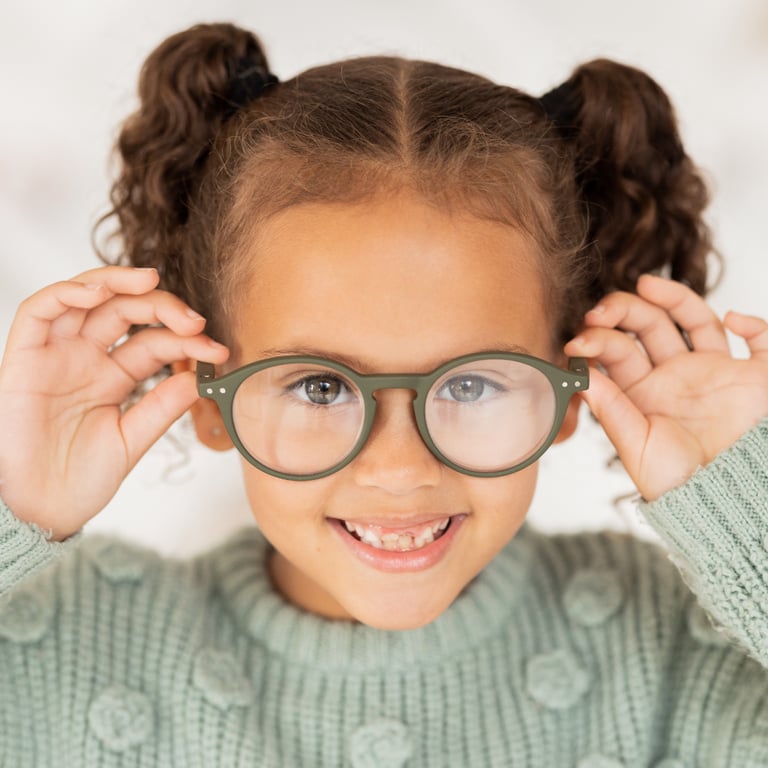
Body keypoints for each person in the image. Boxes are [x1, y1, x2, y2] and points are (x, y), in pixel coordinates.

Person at [0, 20, 766, 768]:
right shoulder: (60, 642)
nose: (399, 470)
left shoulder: (675, 647)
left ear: (569, 390)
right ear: (206, 396)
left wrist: (748, 521)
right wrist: (13, 499)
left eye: (470, 383)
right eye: (320, 386)